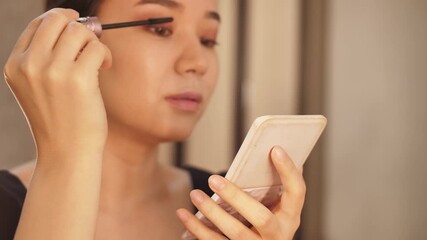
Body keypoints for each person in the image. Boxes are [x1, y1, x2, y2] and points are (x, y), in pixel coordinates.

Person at [1, 0, 306, 239]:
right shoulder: (7, 207)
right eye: (161, 29)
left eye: (208, 39)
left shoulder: (229, 211)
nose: (196, 63)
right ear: (77, 37)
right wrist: (65, 157)